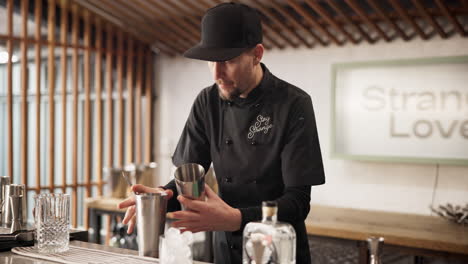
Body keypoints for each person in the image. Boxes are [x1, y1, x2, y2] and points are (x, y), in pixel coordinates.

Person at [118, 2, 325, 264]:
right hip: (226, 251)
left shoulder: (293, 103)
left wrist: (236, 219)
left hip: (278, 251)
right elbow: (190, 181)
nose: (217, 73)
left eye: (228, 61)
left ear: (257, 54)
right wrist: (161, 197)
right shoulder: (207, 102)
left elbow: (297, 204)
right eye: (211, 62)